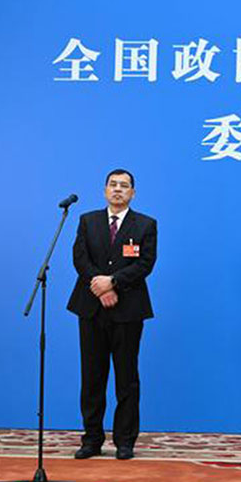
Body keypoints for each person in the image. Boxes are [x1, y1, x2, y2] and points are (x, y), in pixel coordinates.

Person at [67, 169, 157, 460]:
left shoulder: (145, 224)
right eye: (113, 185)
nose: (118, 189)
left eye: (124, 186)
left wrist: (114, 282)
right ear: (105, 190)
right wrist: (100, 287)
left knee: (126, 377)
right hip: (91, 307)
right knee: (92, 376)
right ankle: (92, 439)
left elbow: (145, 264)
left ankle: (125, 441)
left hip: (128, 310)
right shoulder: (88, 221)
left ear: (133, 193)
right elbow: (80, 258)